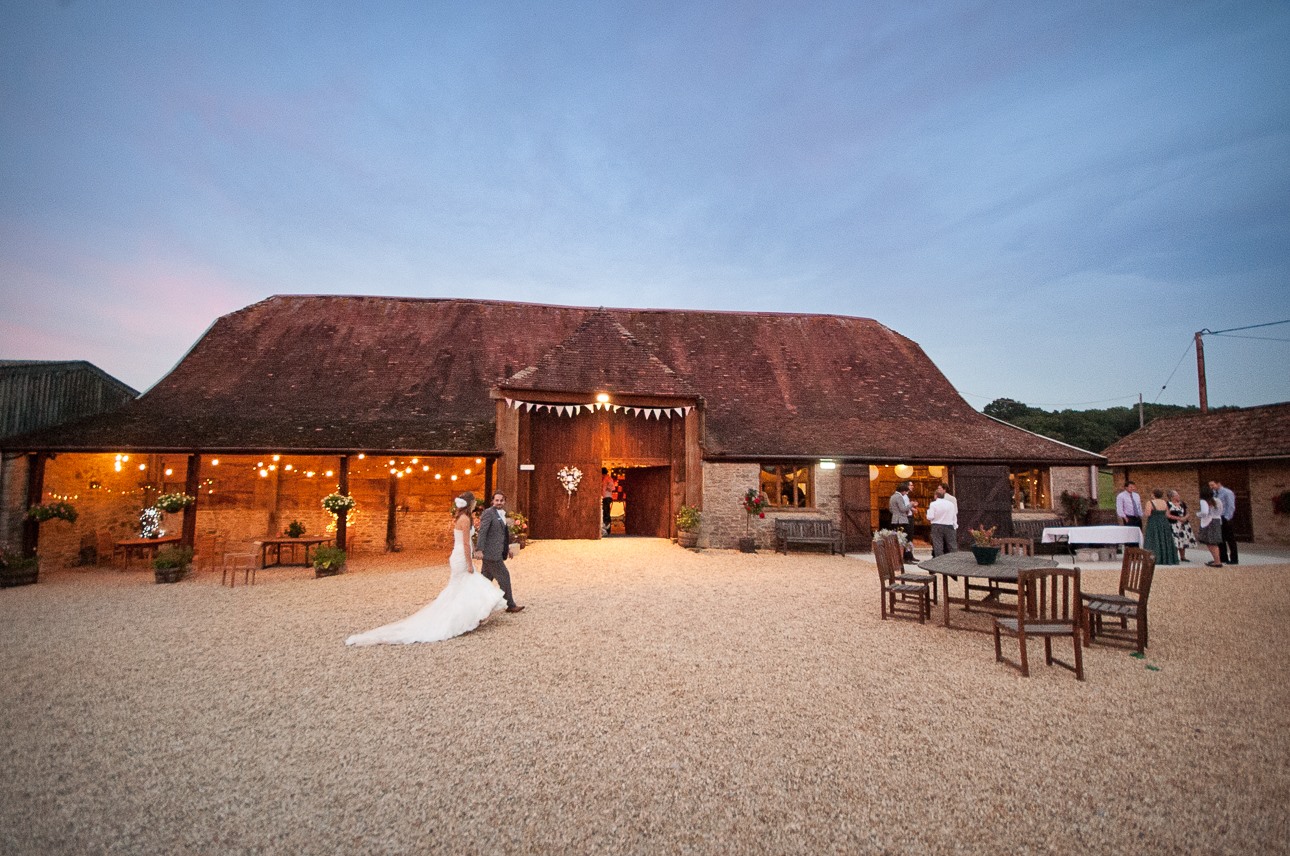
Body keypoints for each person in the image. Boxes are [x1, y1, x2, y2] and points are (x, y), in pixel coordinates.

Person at [345, 492, 505, 646]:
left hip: (459, 555)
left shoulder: (462, 517)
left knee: (461, 587)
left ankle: (474, 615)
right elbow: (464, 543)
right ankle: (467, 617)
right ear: (470, 504)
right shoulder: (465, 519)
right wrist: (469, 563)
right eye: (475, 503)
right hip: (461, 557)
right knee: (469, 584)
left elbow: (465, 542)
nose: (476, 505)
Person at [475, 491, 524, 613]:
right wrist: (479, 549)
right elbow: (483, 532)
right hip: (491, 554)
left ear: (504, 501)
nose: (499, 503)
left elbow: (503, 535)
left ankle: (476, 604)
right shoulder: (488, 513)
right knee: (504, 577)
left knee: (485, 580)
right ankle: (510, 605)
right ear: (492, 501)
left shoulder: (502, 514)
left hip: (496, 552)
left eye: (501, 500)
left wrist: (507, 549)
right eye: (496, 500)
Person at [1141, 488, 1179, 565]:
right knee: (1164, 539)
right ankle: (1166, 558)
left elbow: (1147, 514)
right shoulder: (1164, 502)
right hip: (1163, 522)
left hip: (1154, 522)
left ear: (1154, 494)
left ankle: (1154, 558)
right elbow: (1166, 513)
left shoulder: (1150, 502)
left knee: (1153, 539)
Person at [1209, 479, 1239, 565]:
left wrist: (1227, 518)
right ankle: (1223, 557)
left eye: (1212, 485)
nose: (1211, 487)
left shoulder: (1227, 492)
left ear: (1218, 483)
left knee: (1230, 539)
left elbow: (1231, 506)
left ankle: (1234, 559)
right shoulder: (1214, 494)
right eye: (1210, 486)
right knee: (1220, 539)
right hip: (1218, 518)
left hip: (1225, 517)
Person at [888, 481, 917, 563]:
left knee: (901, 538)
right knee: (905, 538)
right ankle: (906, 557)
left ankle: (905, 556)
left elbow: (890, 509)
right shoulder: (899, 497)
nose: (905, 493)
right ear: (903, 490)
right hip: (901, 520)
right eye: (905, 491)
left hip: (895, 519)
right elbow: (903, 509)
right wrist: (911, 504)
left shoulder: (892, 497)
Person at [925, 484, 957, 557]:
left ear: (936, 496)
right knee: (952, 544)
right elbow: (954, 515)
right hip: (949, 525)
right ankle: (954, 559)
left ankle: (939, 561)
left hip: (937, 525)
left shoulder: (933, 504)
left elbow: (930, 517)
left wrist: (928, 513)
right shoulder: (950, 504)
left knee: (938, 544)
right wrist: (955, 525)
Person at [1197, 486, 1224, 568]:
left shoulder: (1204, 501)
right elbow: (1221, 510)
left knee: (1210, 542)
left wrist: (1198, 514)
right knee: (1214, 542)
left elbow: (1204, 512)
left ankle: (1217, 561)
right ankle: (1217, 560)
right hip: (1217, 520)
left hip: (1209, 522)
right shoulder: (1217, 500)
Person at [1166, 489, 1196, 562]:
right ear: (1172, 497)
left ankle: (1183, 556)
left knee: (1183, 539)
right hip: (1174, 524)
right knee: (1175, 540)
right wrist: (1178, 518)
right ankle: (1174, 556)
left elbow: (1187, 513)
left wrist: (1185, 518)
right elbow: (1167, 515)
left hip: (1183, 524)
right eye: (1176, 495)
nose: (1178, 496)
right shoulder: (1168, 504)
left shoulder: (1182, 503)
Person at [601, 468, 615, 536]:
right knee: (604, 512)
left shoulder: (608, 478)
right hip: (604, 497)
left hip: (607, 497)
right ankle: (604, 528)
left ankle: (607, 529)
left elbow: (612, 488)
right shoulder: (602, 479)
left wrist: (607, 487)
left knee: (606, 512)